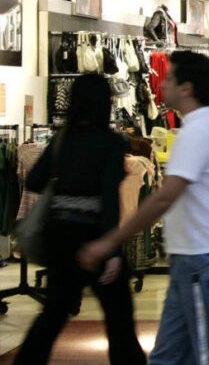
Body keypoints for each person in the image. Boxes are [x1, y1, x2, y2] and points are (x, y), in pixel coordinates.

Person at [78, 51, 209, 364]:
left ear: (186, 87)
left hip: (204, 261)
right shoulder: (208, 126)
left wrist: (112, 240)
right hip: (193, 260)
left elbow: (164, 197)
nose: (162, 84)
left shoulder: (199, 131)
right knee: (168, 356)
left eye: (168, 78)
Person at [16, 75, 146, 365]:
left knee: (53, 314)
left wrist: (65, 182)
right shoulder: (111, 142)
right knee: (119, 318)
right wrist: (112, 251)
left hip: (60, 235)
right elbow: (109, 199)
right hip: (94, 235)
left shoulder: (63, 139)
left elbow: (35, 180)